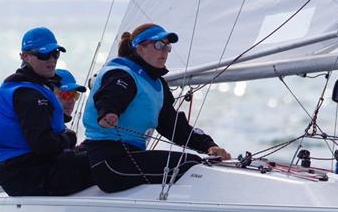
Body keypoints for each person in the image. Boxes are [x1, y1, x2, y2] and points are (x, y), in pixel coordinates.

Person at [80, 23, 230, 193]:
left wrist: (208, 145)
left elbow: (173, 126)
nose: (164, 52)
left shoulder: (157, 84)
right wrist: (108, 113)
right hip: (110, 162)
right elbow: (111, 95)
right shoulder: (122, 73)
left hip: (130, 158)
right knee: (189, 164)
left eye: (168, 47)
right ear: (140, 48)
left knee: (195, 162)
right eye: (159, 45)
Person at [0, 27, 95, 196]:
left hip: (20, 171)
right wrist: (69, 137)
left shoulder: (25, 87)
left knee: (93, 152)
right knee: (103, 161)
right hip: (28, 175)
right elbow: (44, 145)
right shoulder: (28, 94)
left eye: (56, 54)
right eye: (44, 55)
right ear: (25, 56)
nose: (52, 60)